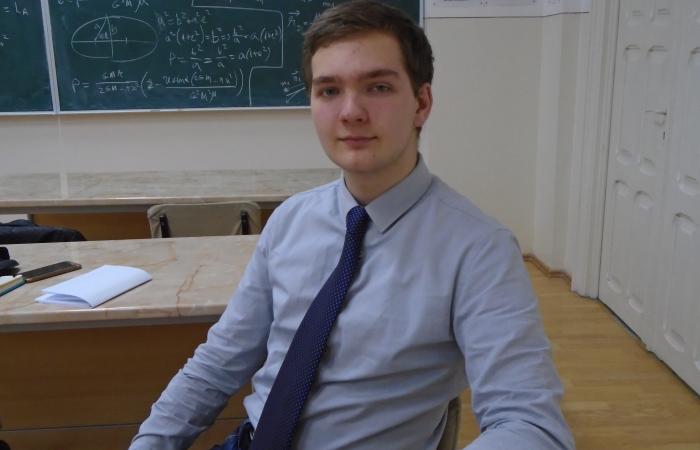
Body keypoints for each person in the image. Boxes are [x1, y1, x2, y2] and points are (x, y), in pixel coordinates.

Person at [130, 1, 575, 449]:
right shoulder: (290, 221)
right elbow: (219, 362)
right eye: (329, 90)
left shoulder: (478, 249)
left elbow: (529, 424)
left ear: (421, 103)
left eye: (378, 87)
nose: (351, 112)